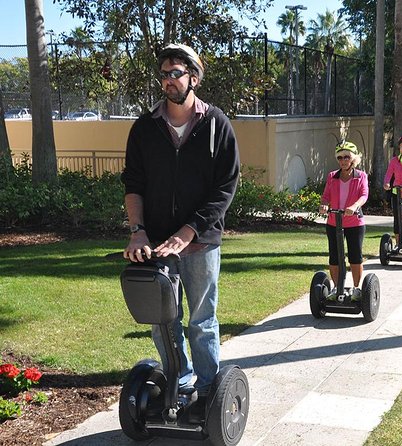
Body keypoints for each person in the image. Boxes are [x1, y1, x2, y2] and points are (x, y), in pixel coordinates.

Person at [121, 43, 240, 407]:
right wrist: (137, 230)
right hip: (157, 243)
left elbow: (226, 186)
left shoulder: (216, 124)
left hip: (200, 243)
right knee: (162, 321)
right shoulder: (145, 128)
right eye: (164, 74)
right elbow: (134, 184)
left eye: (176, 73)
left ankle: (207, 391)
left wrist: (189, 230)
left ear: (194, 77)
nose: (168, 80)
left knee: (201, 320)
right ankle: (180, 381)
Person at [319, 141, 369, 300]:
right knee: (334, 256)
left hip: (354, 222)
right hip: (334, 222)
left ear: (353, 158)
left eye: (346, 157)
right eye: (340, 157)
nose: (343, 160)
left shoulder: (361, 176)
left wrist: (354, 206)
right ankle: (335, 288)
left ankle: (356, 288)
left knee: (355, 256)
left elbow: (364, 195)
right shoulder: (332, 176)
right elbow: (326, 195)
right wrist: (324, 205)